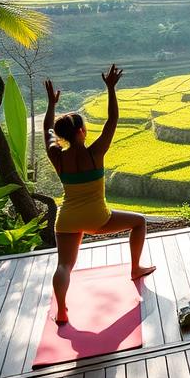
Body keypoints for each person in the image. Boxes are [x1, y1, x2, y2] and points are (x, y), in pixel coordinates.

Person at [44, 65, 155, 325]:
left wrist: (51, 104)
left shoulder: (57, 156)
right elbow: (112, 121)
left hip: (67, 220)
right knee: (139, 221)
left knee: (64, 266)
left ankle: (61, 310)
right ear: (82, 131)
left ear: (64, 136)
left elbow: (48, 130)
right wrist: (111, 88)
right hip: (97, 219)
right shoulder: (95, 154)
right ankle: (135, 268)